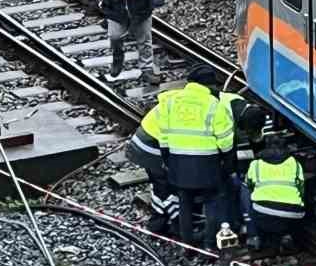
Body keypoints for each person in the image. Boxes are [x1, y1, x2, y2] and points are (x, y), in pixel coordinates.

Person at [157, 65, 236, 246]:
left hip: (178, 161)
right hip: (207, 163)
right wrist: (228, 164)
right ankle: (209, 243)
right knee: (212, 201)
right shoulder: (214, 105)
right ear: (208, 85)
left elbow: (164, 136)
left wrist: (168, 160)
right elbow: (225, 140)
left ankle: (187, 243)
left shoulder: (171, 102)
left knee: (185, 202)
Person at [240, 135, 305, 249]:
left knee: (245, 188)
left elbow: (249, 185)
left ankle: (253, 236)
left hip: (264, 215)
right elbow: (301, 189)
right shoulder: (295, 163)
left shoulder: (256, 164)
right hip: (293, 216)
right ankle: (287, 235)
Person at [130, 99, 176, 235]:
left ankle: (159, 223)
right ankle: (161, 224)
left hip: (143, 143)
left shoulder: (180, 100)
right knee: (165, 186)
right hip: (152, 148)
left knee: (160, 184)